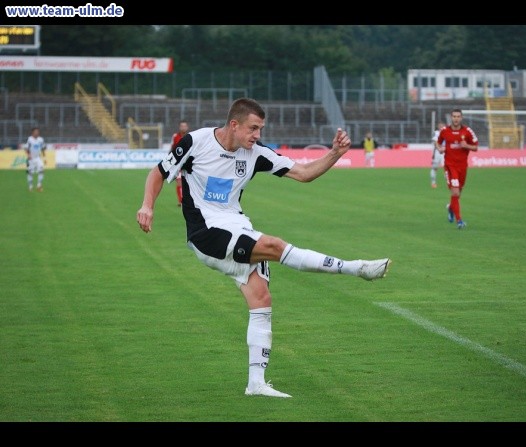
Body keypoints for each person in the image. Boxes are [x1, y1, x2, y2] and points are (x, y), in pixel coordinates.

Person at [136, 98, 391, 399]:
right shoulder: (196, 141)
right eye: (253, 128)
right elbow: (158, 173)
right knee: (273, 245)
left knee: (261, 297)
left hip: (237, 225)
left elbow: (304, 173)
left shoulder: (256, 154)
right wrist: (147, 206)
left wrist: (335, 153)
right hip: (206, 232)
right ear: (234, 124)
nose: (257, 135)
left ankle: (256, 383)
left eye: (260, 129)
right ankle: (355, 268)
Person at [435, 108, 479, 229]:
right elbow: (437, 142)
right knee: (455, 192)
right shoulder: (445, 131)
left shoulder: (467, 131)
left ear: (461, 118)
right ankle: (459, 221)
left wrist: (467, 146)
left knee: (458, 193)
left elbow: (475, 147)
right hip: (450, 166)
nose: (456, 118)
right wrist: (439, 148)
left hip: (462, 167)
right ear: (451, 118)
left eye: (458, 116)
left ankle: (450, 208)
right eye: (454, 116)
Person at [171, 120, 190, 205]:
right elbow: (172, 149)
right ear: (179, 127)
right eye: (182, 126)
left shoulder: (191, 136)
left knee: (188, 182)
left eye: (185, 126)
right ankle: (180, 200)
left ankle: (187, 199)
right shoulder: (175, 136)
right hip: (178, 163)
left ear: (187, 127)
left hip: (188, 163)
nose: (183, 128)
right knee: (179, 182)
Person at [25, 127, 46, 192]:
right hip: (31, 159)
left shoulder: (41, 139)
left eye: (38, 131)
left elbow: (43, 148)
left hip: (38, 158)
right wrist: (28, 155)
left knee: (42, 170)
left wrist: (44, 157)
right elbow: (26, 148)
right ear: (33, 132)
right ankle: (30, 186)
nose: (37, 133)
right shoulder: (29, 139)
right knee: (30, 173)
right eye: (36, 131)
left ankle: (39, 185)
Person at [430, 122, 446, 188]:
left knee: (447, 167)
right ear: (438, 127)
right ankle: (433, 183)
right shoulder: (436, 133)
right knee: (435, 168)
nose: (441, 127)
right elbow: (435, 142)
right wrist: (438, 149)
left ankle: (449, 183)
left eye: (442, 126)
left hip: (446, 151)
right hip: (437, 151)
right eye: (440, 126)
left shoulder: (447, 132)